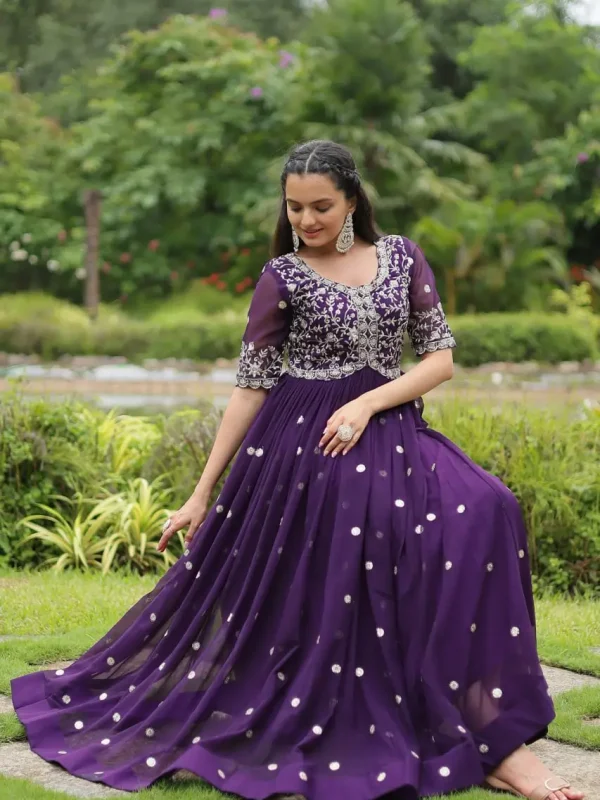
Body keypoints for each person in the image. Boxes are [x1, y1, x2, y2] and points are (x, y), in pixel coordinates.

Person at [11, 139, 583, 800]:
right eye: (295, 207)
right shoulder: (281, 275)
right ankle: (436, 725)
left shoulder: (401, 256)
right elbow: (250, 388)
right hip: (304, 443)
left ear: (352, 200)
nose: (307, 220)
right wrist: (201, 494)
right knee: (367, 520)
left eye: (321, 206)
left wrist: (367, 402)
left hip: (388, 422)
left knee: (488, 506)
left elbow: (439, 359)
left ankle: (477, 720)